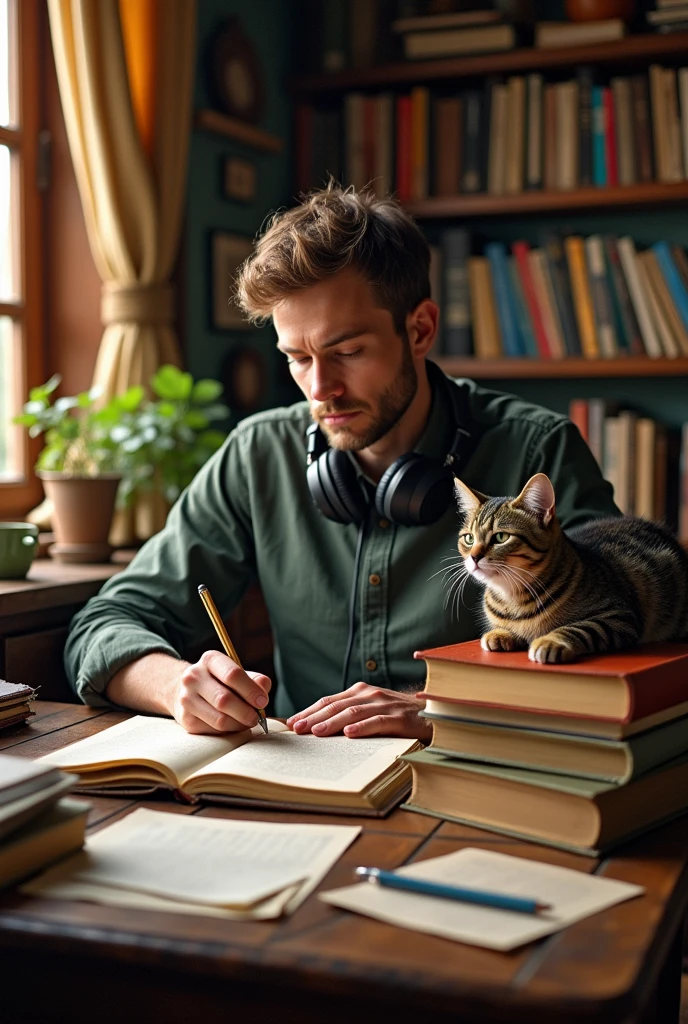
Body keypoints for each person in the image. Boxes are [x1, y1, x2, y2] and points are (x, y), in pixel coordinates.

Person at [65, 185, 620, 741]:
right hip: (294, 786)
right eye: (298, 359)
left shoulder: (539, 449)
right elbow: (102, 626)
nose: (321, 389)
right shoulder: (258, 454)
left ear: (420, 329)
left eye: (347, 352)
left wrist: (438, 710)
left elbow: (626, 649)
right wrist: (176, 686)